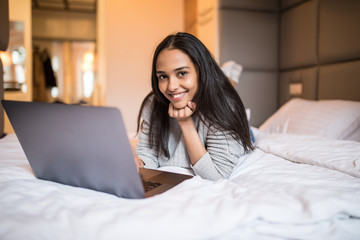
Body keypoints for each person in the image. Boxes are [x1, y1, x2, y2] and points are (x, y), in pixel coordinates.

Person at [135, 32, 253, 181]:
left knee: (226, 90)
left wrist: (185, 122)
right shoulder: (153, 103)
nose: (171, 86)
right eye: (163, 76)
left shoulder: (225, 106)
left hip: (237, 121)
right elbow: (148, 154)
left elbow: (216, 176)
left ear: (201, 71)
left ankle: (229, 78)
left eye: (182, 73)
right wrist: (138, 163)